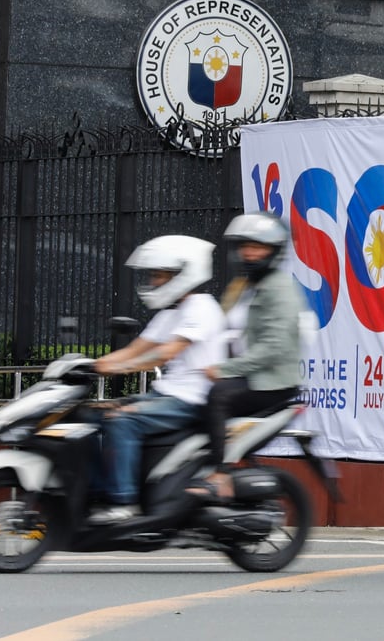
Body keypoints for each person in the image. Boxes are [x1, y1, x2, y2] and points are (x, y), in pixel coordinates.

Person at [90, 234, 226, 524]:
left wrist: (122, 368)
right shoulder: (169, 314)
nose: (153, 282)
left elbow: (167, 352)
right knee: (91, 417)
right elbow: (136, 348)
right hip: (165, 395)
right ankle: (96, 494)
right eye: (152, 275)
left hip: (190, 399)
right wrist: (92, 365)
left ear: (183, 274)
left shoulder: (202, 307)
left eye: (160, 275)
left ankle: (123, 502)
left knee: (121, 420)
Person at [187, 211, 308, 502]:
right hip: (251, 375)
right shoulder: (247, 287)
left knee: (219, 396)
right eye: (246, 246)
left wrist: (228, 368)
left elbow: (273, 346)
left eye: (258, 247)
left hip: (271, 383)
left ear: (274, 251)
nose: (249, 253)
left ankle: (221, 474)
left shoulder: (279, 289)